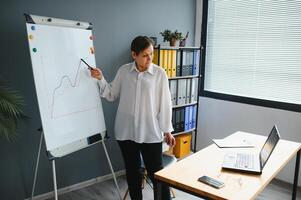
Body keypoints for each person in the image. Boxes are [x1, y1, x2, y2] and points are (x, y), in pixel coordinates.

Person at [91, 36, 175, 200]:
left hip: (150, 132)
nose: (149, 58)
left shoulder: (159, 73)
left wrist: (167, 131)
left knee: (156, 174)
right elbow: (111, 94)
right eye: (145, 55)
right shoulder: (124, 71)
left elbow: (165, 104)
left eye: (151, 54)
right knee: (133, 172)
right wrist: (101, 79)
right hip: (126, 132)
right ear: (134, 54)